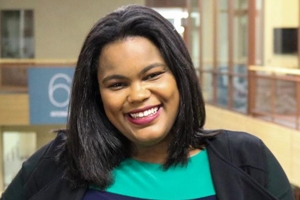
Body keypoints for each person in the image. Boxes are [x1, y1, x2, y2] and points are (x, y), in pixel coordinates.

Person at [1, 4, 294, 200]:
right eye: (117, 84)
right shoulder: (58, 165)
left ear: (180, 77)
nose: (138, 95)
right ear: (97, 95)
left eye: (152, 75)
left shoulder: (249, 161)